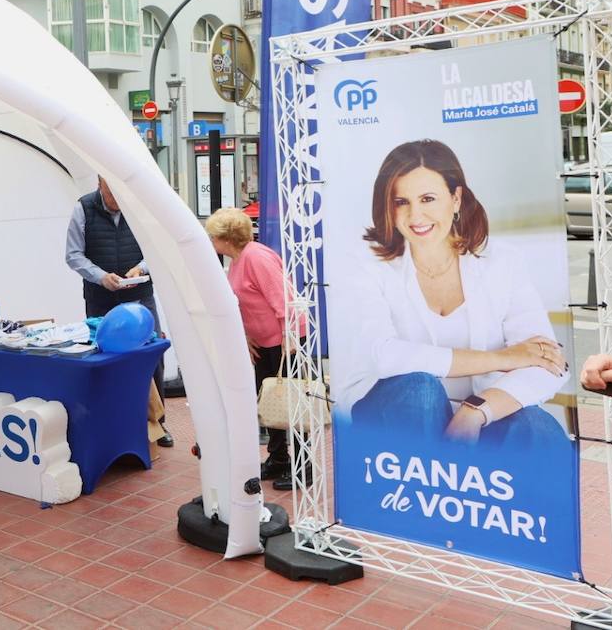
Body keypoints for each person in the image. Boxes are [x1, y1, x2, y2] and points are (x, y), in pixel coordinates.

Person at [334, 140, 568, 449]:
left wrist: (476, 410)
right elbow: (384, 357)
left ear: (455, 198)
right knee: (421, 390)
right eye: (401, 201)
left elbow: (547, 363)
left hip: (476, 412)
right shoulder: (367, 262)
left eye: (428, 198)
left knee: (538, 428)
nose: (415, 215)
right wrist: (501, 358)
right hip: (390, 414)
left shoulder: (502, 262)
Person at [65, 176, 175, 448]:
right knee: (106, 359)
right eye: (111, 194)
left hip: (139, 296)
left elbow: (156, 246)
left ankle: (157, 422)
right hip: (101, 298)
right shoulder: (83, 208)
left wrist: (142, 268)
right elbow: (73, 254)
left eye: (120, 193)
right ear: (100, 183)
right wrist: (101, 276)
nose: (117, 201)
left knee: (152, 357)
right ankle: (113, 423)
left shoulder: (137, 205)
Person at [206, 207, 306, 490]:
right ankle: (279, 458)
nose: (211, 241)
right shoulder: (238, 260)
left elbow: (282, 298)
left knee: (291, 405)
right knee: (270, 403)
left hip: (285, 342)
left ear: (227, 238)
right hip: (265, 342)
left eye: (214, 236)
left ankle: (303, 465)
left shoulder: (256, 257)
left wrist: (289, 338)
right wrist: (248, 336)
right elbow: (245, 303)